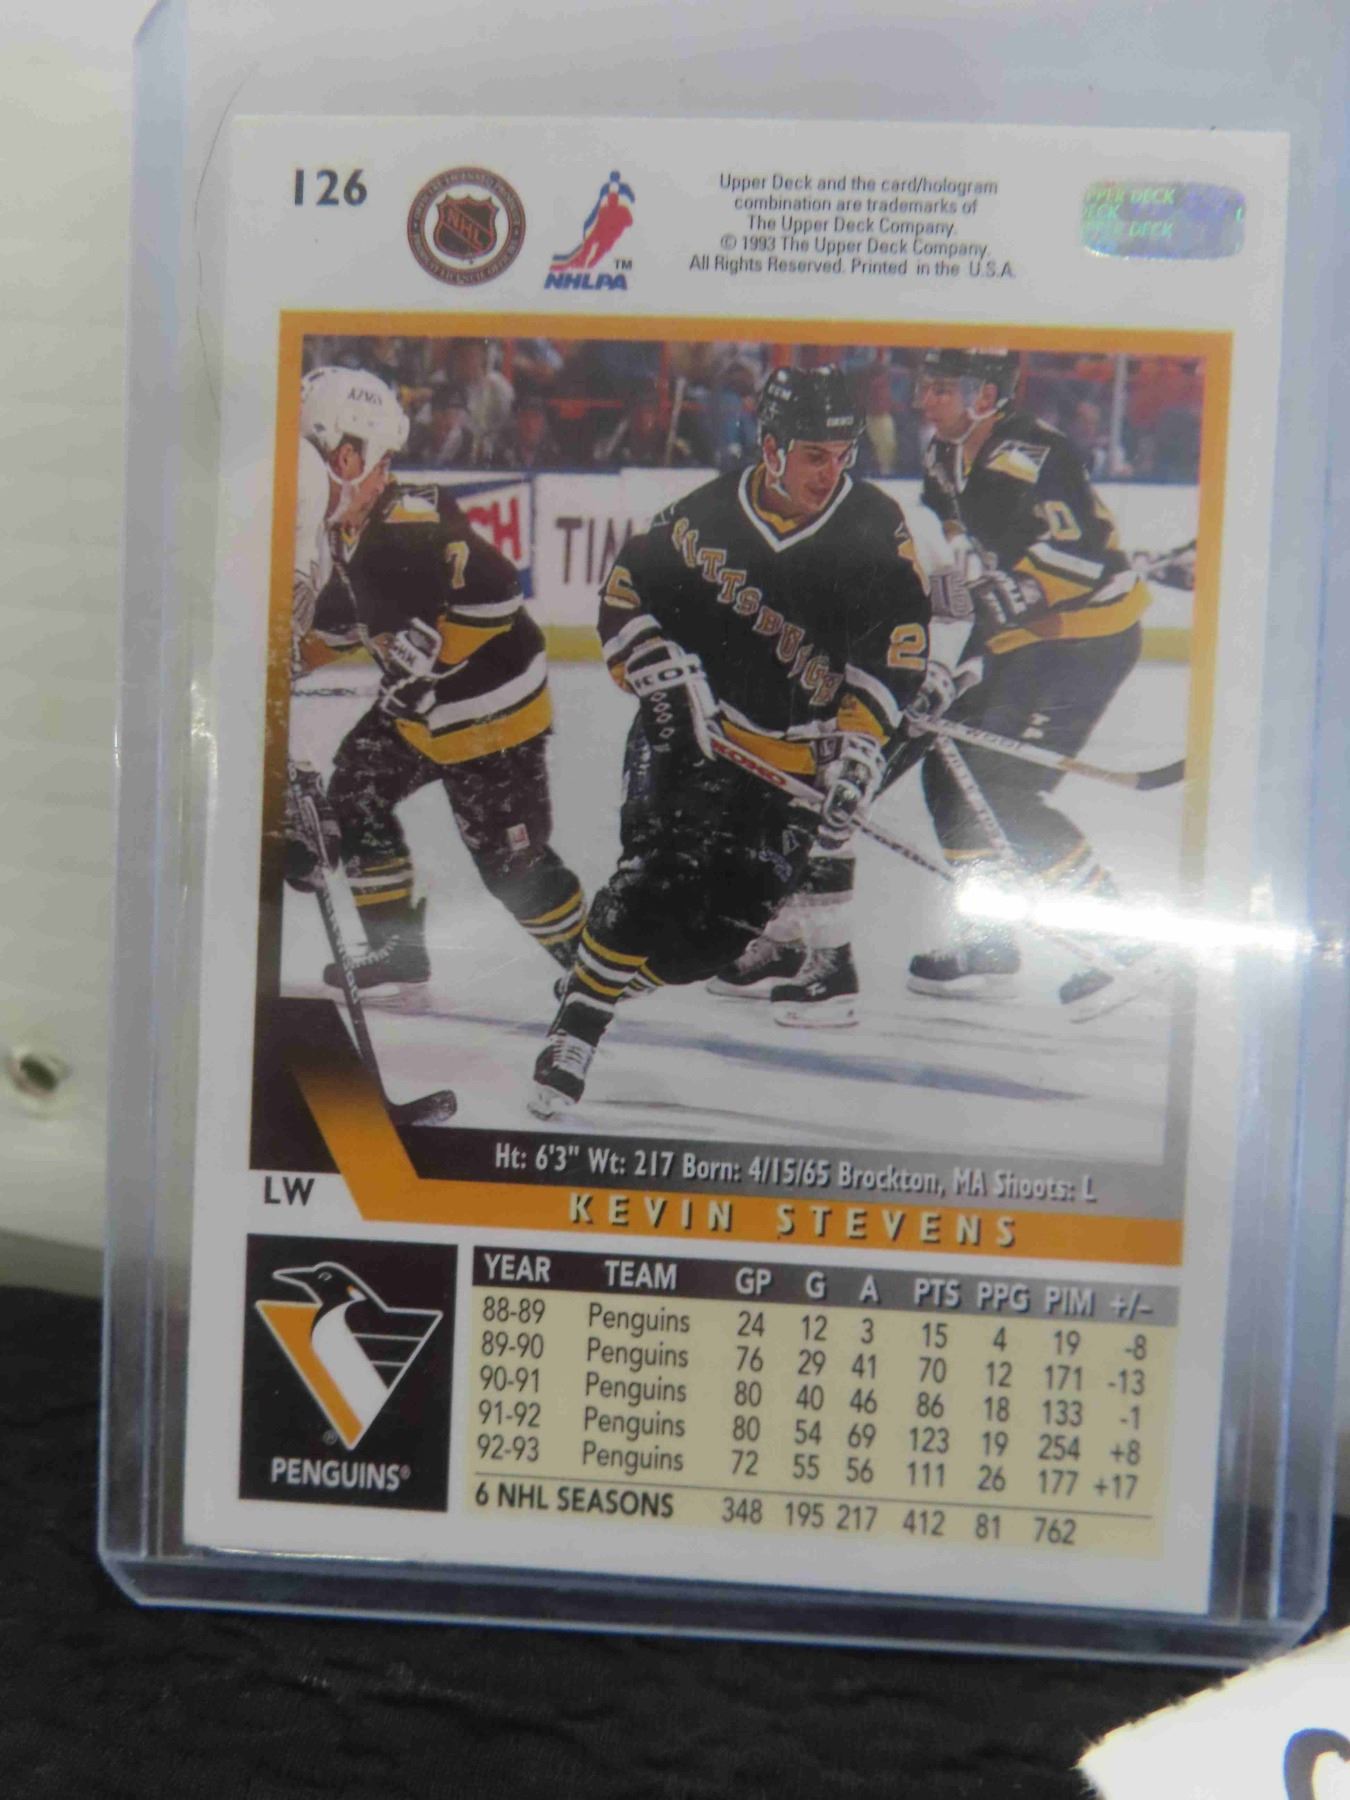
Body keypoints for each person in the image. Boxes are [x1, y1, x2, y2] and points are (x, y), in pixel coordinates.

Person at [527, 365, 931, 1117]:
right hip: (697, 738)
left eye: (843, 454)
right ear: (771, 449)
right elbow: (624, 594)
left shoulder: (874, 526)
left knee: (712, 944)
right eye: (815, 454)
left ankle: (605, 976)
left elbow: (898, 648)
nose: (832, 471)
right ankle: (577, 1026)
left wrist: (858, 752)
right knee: (654, 880)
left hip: (794, 766)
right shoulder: (702, 517)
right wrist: (657, 670)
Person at [725, 347, 1152, 1022]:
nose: (923, 401)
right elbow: (952, 558)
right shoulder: (942, 456)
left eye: (941, 389)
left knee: (1001, 785)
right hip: (1012, 639)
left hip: (1082, 639)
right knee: (949, 777)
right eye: (924, 387)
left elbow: (1076, 559)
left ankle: (1118, 936)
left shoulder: (1036, 454)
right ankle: (988, 942)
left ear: (986, 396)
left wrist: (992, 608)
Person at [293, 366, 585, 1006]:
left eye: (318, 455)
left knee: (511, 868)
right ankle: (397, 947)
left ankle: (592, 971)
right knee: (357, 788)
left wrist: (431, 666)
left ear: (349, 456)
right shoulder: (338, 530)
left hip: (489, 718)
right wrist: (282, 664)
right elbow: (346, 625)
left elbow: (498, 591)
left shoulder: (412, 520)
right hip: (419, 711)